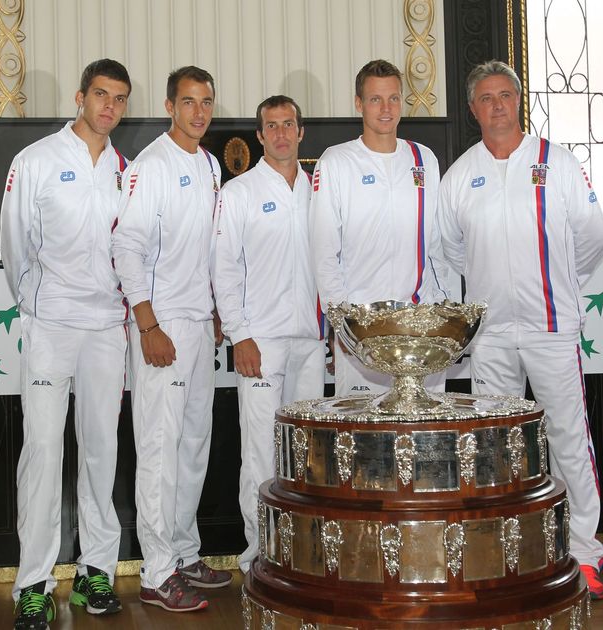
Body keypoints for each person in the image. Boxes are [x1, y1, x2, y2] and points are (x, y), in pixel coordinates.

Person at [436, 60, 603, 599]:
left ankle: (582, 553)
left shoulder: (556, 163)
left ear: (519, 100)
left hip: (551, 328)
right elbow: (451, 251)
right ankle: (499, 551)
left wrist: (556, 287)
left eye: (505, 95)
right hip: (489, 335)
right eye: (485, 98)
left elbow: (591, 238)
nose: (496, 106)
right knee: (494, 444)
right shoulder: (459, 175)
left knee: (567, 437)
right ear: (472, 110)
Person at [0, 59, 132, 629]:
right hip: (51, 327)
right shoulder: (35, 161)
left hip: (107, 328)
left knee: (101, 451)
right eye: (101, 94)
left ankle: (93, 572)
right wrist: (39, 305)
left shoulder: (126, 169)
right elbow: (15, 246)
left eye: (120, 98)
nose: (109, 106)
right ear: (81, 97)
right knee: (43, 453)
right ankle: (32, 582)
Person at [111, 66, 231, 614]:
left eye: (206, 101)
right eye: (189, 102)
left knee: (192, 444)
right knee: (158, 448)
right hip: (160, 328)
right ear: (169, 106)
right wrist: (148, 324)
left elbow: (209, 250)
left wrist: (217, 311)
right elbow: (127, 248)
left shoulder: (209, 165)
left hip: (198, 323)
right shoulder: (151, 165)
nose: (199, 112)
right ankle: (157, 572)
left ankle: (183, 552)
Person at [212, 95, 326, 574]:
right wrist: (239, 334)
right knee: (260, 448)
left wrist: (334, 332)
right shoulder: (238, 192)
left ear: (301, 132)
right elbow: (222, 268)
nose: (281, 133)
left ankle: (301, 548)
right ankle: (261, 549)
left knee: (307, 448)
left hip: (311, 340)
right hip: (261, 340)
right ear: (259, 137)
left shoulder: (318, 190)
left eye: (288, 124)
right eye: (271, 126)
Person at [310, 59, 448, 396]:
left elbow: (436, 245)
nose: (386, 109)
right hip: (363, 331)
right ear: (359, 104)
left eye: (393, 98)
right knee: (363, 443)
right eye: (375, 99)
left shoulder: (424, 159)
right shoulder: (336, 162)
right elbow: (323, 250)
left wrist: (440, 312)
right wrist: (344, 324)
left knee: (422, 440)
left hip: (419, 329)